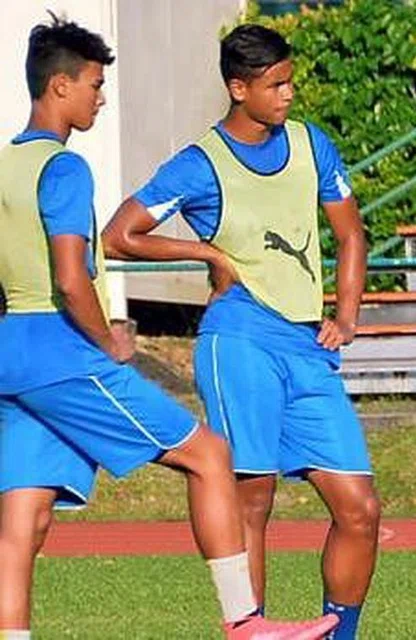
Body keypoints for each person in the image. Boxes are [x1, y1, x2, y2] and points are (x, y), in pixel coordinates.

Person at [0, 17, 338, 640]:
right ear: (60, 87)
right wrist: (110, 342)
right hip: (62, 351)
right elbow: (73, 278)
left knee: (25, 508)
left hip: (11, 351)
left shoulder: (5, 165)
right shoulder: (65, 170)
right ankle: (245, 620)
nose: (101, 97)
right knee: (209, 456)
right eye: (96, 84)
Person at [103, 24, 375, 639]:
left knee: (360, 509)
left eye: (290, 81)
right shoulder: (201, 164)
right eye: (275, 85)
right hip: (241, 341)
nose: (288, 95)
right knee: (253, 501)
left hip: (309, 348)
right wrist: (206, 254)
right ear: (238, 87)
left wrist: (347, 314)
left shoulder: (311, 145)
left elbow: (351, 234)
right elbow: (121, 233)